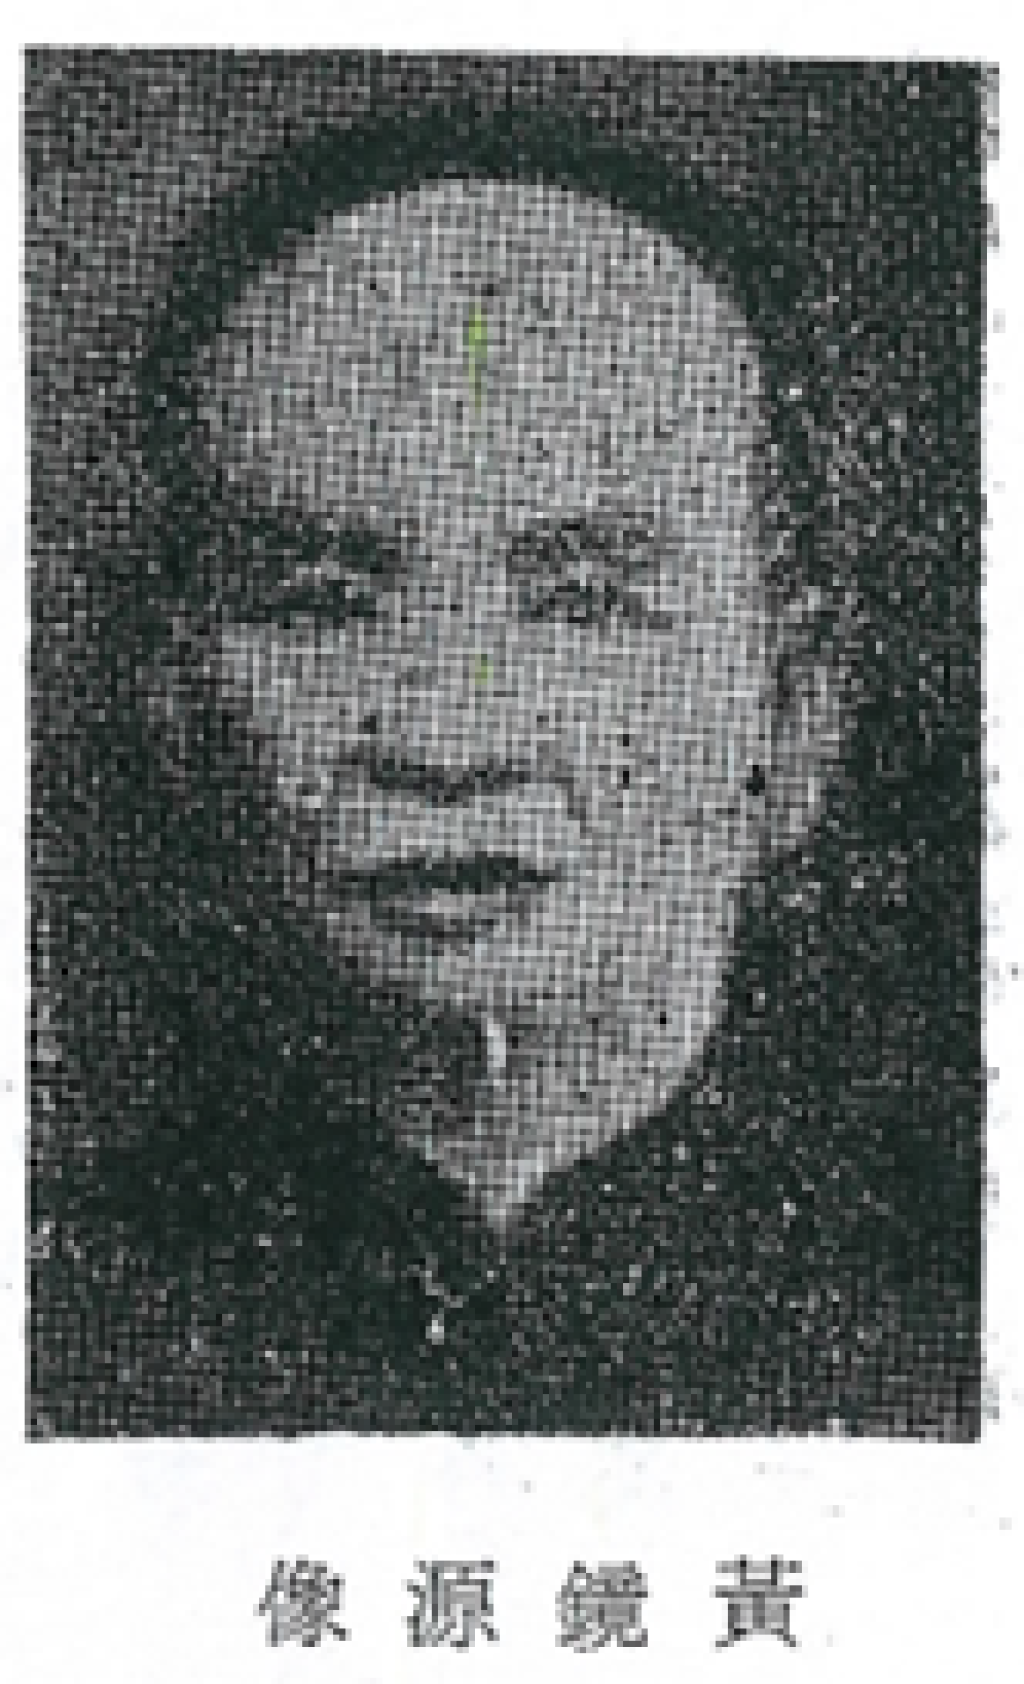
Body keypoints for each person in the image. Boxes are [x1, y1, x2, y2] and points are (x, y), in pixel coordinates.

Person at [35, 95, 978, 1436]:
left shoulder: (957, 1312)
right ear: (178, 707)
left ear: (795, 708)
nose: (446, 745)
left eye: (585, 601)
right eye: (319, 602)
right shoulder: (61, 1324)